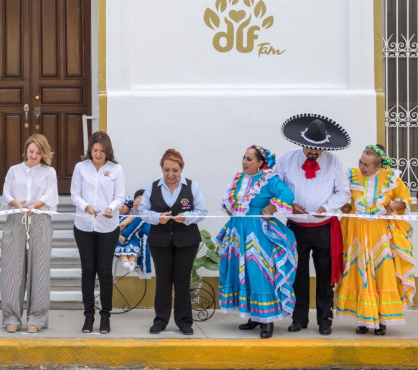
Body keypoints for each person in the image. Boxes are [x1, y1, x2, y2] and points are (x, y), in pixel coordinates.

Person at [276, 114, 351, 336]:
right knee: (298, 274)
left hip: (324, 228)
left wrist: (326, 208)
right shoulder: (286, 161)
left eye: (318, 149)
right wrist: (290, 205)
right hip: (296, 227)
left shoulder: (335, 162)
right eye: (309, 147)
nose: (313, 152)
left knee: (325, 276)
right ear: (301, 143)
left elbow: (343, 191)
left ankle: (324, 320)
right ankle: (298, 318)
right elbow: (275, 188)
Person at [215, 145, 297, 339]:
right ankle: (255, 316)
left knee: (259, 272)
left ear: (261, 163)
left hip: (257, 234)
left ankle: (267, 320)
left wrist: (270, 208)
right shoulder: (238, 179)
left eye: (249, 159)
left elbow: (287, 195)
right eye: (244, 157)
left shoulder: (269, 179)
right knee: (244, 274)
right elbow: (229, 203)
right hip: (237, 232)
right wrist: (232, 209)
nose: (244, 161)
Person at [335, 144, 415, 336]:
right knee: (358, 272)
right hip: (356, 233)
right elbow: (342, 198)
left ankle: (381, 319)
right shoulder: (351, 176)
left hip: (381, 234)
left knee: (382, 273)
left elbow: (405, 199)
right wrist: (344, 207)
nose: (363, 167)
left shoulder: (390, 178)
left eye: (367, 165)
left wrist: (392, 206)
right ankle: (362, 319)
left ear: (378, 166)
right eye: (361, 162)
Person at [139, 148, 207, 336]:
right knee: (163, 280)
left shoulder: (192, 187)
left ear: (181, 168)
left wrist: (186, 217)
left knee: (182, 280)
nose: (170, 174)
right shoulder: (152, 187)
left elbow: (202, 211)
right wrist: (156, 217)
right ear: (162, 168)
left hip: (187, 241)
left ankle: (184, 321)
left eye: (175, 170)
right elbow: (143, 211)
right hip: (159, 241)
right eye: (167, 170)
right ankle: (160, 320)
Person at [0, 133, 58, 333]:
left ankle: (37, 317)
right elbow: (6, 192)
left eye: (38, 152)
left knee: (39, 268)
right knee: (12, 269)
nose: (34, 155)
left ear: (43, 153)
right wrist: (16, 203)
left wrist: (37, 205)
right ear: (26, 150)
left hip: (40, 219)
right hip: (16, 218)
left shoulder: (49, 172)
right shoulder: (14, 170)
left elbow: (50, 193)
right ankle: (11, 317)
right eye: (31, 151)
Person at [71, 130, 125, 334]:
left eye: (102, 151)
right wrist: (86, 207)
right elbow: (75, 194)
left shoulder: (116, 169)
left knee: (104, 271)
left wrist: (111, 207)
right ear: (90, 150)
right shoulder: (80, 168)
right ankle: (88, 316)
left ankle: (105, 316)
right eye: (95, 150)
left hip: (107, 227)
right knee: (87, 271)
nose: (98, 154)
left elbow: (120, 196)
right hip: (84, 226)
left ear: (108, 151)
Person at [114, 190, 147, 271]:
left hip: (130, 235)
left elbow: (126, 225)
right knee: (119, 243)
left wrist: (122, 228)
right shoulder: (114, 218)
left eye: (123, 205)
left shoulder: (132, 216)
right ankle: (124, 259)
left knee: (132, 243)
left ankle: (132, 262)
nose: (120, 208)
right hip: (118, 236)